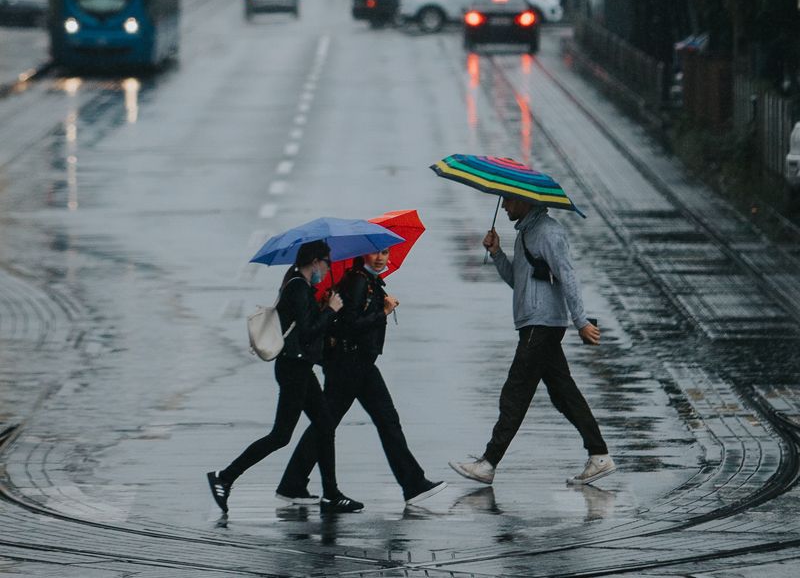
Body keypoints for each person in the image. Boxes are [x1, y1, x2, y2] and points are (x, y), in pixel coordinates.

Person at [449, 196, 615, 486]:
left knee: (516, 391)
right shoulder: (526, 232)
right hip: (534, 323)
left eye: (509, 201)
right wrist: (498, 253)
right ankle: (599, 455)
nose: (504, 207)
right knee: (563, 393)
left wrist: (581, 321)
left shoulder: (549, 233)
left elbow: (568, 276)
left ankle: (488, 463)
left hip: (542, 324)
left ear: (524, 201)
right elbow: (518, 280)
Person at [276, 248, 446, 507]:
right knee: (339, 423)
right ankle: (412, 484)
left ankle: (293, 483)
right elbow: (349, 324)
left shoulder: (367, 281)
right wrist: (384, 312)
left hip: (358, 364)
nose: (380, 258)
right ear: (362, 256)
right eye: (374, 253)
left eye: (385, 253)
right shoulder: (357, 281)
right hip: (349, 364)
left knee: (377, 420)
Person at [207, 240, 364, 514]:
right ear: (315, 261)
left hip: (299, 367)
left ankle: (331, 494)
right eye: (327, 263)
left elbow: (306, 325)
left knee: (325, 425)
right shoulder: (298, 288)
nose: (328, 269)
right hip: (294, 369)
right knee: (281, 435)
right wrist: (330, 310)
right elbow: (307, 332)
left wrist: (324, 307)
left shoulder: (298, 285)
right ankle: (225, 477)